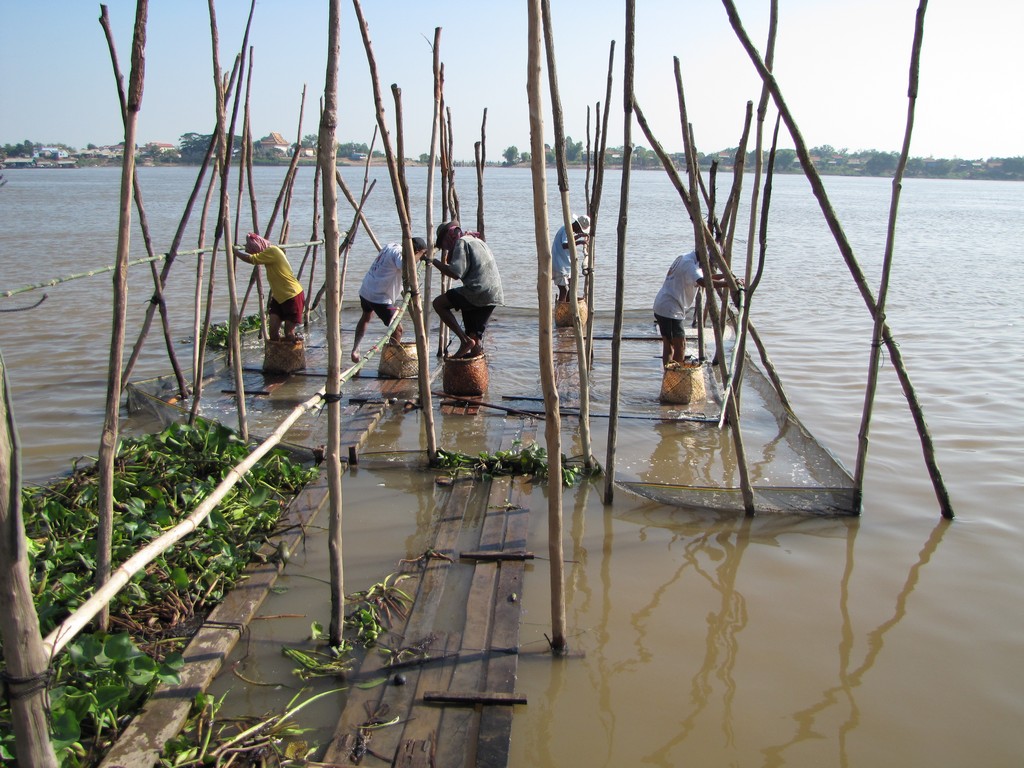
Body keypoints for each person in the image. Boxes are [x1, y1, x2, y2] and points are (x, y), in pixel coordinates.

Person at [427, 220, 504, 359]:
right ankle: (477, 375)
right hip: (494, 294)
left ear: (447, 237)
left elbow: (455, 273)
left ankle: (463, 340)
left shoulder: (461, 243)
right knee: (474, 337)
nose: (445, 247)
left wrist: (433, 261)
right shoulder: (475, 240)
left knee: (438, 303)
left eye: (443, 243)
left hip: (477, 291)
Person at [351, 238, 428, 363]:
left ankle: (355, 349)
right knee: (397, 329)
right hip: (379, 297)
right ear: (416, 251)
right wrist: (422, 253)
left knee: (366, 317)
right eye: (419, 254)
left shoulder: (391, 246)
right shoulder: (399, 253)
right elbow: (407, 267)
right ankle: (392, 361)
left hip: (366, 289)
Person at [653, 249, 731, 369]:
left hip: (663, 305)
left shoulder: (687, 258)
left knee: (669, 345)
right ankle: (676, 377)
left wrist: (725, 276)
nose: (709, 264)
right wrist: (728, 283)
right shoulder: (689, 264)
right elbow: (704, 282)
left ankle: (670, 376)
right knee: (680, 345)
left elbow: (704, 277)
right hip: (670, 308)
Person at [233, 233, 304, 341]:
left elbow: (252, 259)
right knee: (273, 333)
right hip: (278, 297)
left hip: (292, 295)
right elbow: (253, 256)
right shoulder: (267, 254)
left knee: (289, 333)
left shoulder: (272, 251)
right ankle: (278, 355)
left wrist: (235, 252)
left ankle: (293, 355)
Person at [551, 214, 590, 302]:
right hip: (560, 264)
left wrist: (579, 236)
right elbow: (565, 245)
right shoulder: (566, 229)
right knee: (563, 290)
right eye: (580, 230)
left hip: (564, 264)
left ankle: (569, 305)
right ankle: (561, 311)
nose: (579, 231)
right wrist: (580, 242)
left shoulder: (569, 230)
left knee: (572, 286)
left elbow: (570, 239)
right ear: (577, 226)